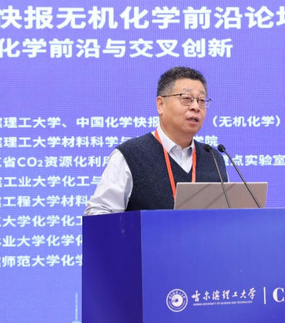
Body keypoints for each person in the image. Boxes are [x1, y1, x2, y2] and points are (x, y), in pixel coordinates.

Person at [84, 66, 228, 215]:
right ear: (161, 105)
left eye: (201, 100)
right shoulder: (130, 154)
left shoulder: (214, 158)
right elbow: (98, 213)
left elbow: (227, 215)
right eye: (186, 99)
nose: (196, 107)